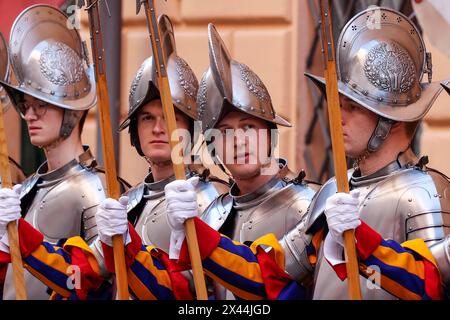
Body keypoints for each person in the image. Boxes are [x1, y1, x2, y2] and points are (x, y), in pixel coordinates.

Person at [161, 7, 450, 300]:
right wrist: (194, 233)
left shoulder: (424, 190)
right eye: (338, 106)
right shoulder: (334, 190)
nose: (338, 118)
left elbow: (432, 284)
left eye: (353, 108)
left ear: (391, 119)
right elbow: (268, 275)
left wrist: (365, 244)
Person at [0, 4, 128, 300]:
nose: (30, 115)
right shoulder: (24, 189)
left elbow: (95, 281)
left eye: (41, 105)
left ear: (70, 110)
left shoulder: (95, 189)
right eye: (26, 105)